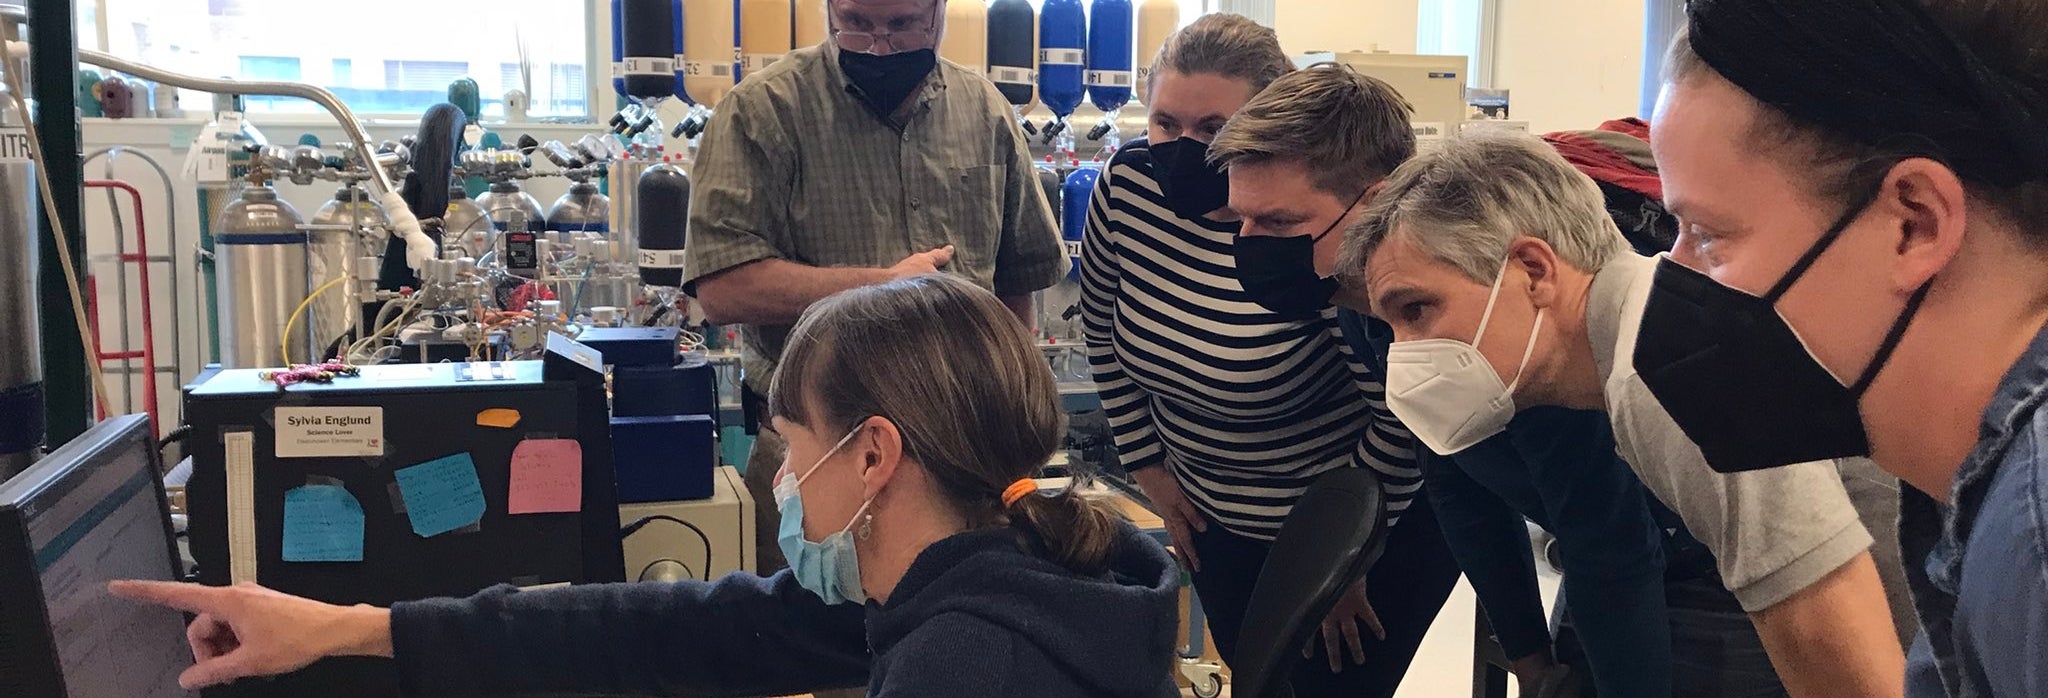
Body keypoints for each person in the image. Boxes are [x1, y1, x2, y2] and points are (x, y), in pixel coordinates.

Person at [108, 274, 1181, 698]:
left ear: (871, 455)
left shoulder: (966, 659)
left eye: (785, 432)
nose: (775, 465)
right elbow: (682, 625)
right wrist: (345, 626)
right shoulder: (993, 580)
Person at [1339, 130, 1907, 697]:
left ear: (1534, 271)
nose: (1404, 351)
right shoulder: (1630, 345)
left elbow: (1827, 638)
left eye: (1417, 310)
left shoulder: (1660, 369)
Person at [1643, 1, 2048, 694]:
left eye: (1709, 236)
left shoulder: (2034, 544)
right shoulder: (1982, 499)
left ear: (1914, 224)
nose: (1674, 277)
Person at [1087, 58, 1458, 695]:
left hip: (1360, 521)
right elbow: (1102, 329)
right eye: (1165, 123)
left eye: (1211, 126)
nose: (1186, 151)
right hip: (1222, 519)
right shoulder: (1140, 193)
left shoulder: (1352, 278)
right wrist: (1148, 463)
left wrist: (1341, 558)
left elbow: (1405, 424)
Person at [682, 0, 1063, 575]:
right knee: (815, 653)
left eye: (902, 25)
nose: (879, 47)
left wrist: (1012, 422)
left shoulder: (985, 110)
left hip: (962, 462)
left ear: (937, 14)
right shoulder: (763, 111)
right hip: (819, 458)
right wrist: (882, 287)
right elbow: (722, 286)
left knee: (958, 646)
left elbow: (1017, 282)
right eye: (857, 24)